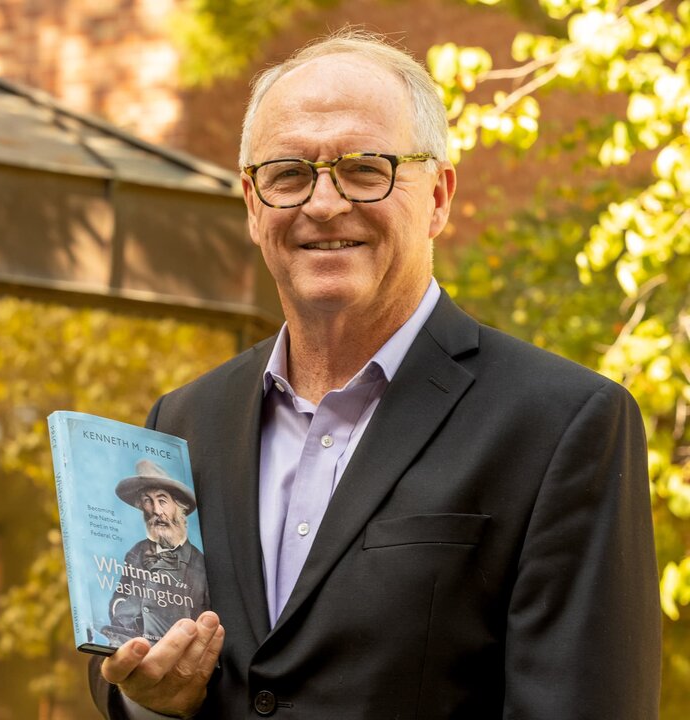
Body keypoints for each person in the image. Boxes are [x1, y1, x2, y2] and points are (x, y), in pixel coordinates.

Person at [89, 29, 661, 720]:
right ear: (251, 202)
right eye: (289, 173)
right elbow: (136, 658)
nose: (324, 204)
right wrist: (148, 701)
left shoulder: (564, 425)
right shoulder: (182, 421)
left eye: (366, 168)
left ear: (440, 197)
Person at [100, 459, 209, 646]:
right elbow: (119, 596)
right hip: (126, 644)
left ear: (180, 507)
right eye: (148, 501)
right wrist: (122, 612)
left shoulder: (199, 563)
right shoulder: (136, 551)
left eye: (162, 501)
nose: (156, 511)